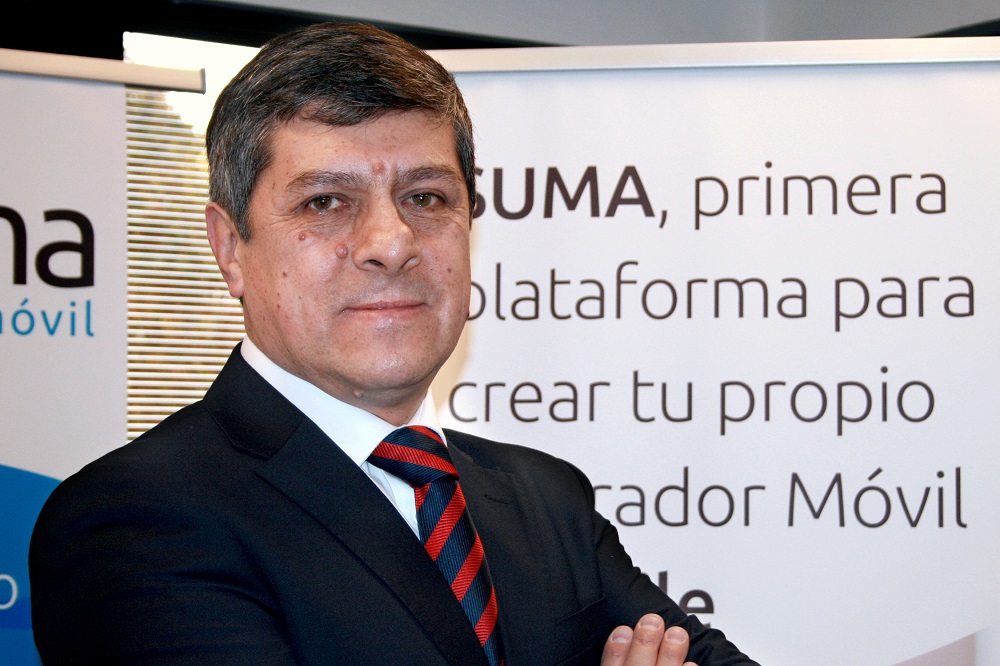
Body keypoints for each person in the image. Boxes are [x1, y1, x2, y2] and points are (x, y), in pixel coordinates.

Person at [29, 22, 758, 666]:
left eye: (426, 197)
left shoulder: (546, 499)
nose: (391, 241)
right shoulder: (136, 520)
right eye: (325, 201)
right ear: (229, 249)